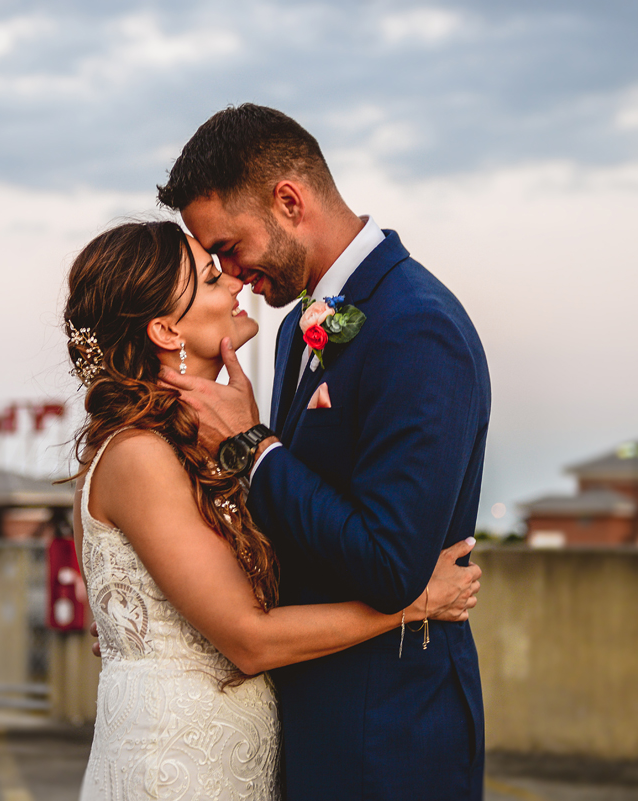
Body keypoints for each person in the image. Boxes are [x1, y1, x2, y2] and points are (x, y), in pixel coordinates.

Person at [64, 220, 483, 801]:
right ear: (164, 329)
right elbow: (250, 640)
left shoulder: (195, 446)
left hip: (237, 756)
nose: (234, 280)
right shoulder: (140, 455)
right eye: (212, 278)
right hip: (179, 767)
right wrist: (416, 601)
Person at [158, 105, 491, 800]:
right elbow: (290, 526)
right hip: (309, 721)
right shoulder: (294, 332)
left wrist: (253, 446)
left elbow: (390, 565)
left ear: (288, 201)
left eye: (228, 245)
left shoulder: (417, 325)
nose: (229, 271)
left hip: (390, 737)